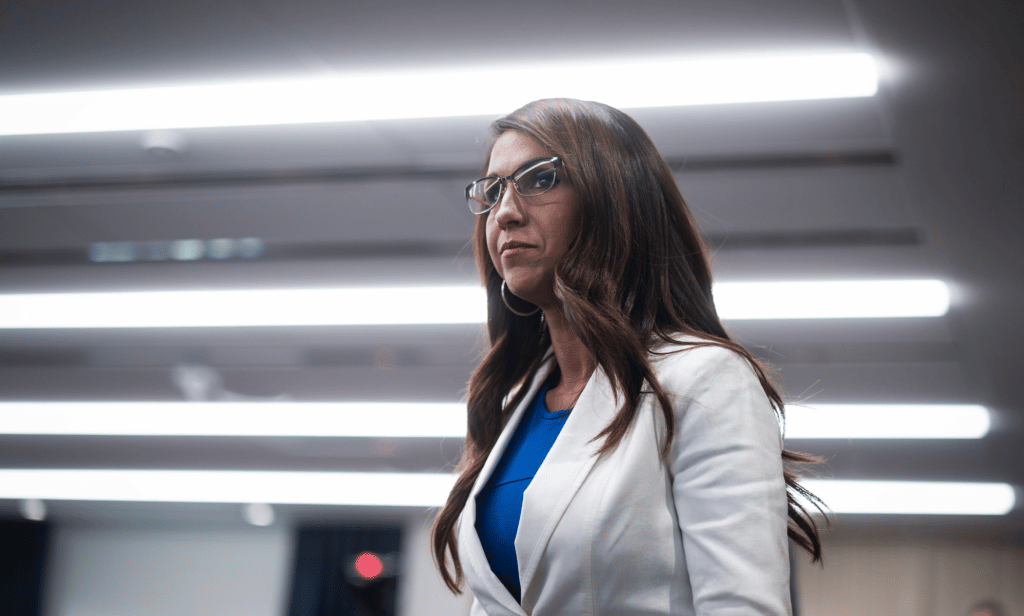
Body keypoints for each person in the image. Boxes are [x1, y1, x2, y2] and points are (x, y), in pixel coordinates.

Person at [431, 98, 826, 615]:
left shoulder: (704, 379)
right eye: (493, 190)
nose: (504, 211)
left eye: (539, 179)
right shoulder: (514, 407)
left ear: (615, 200)